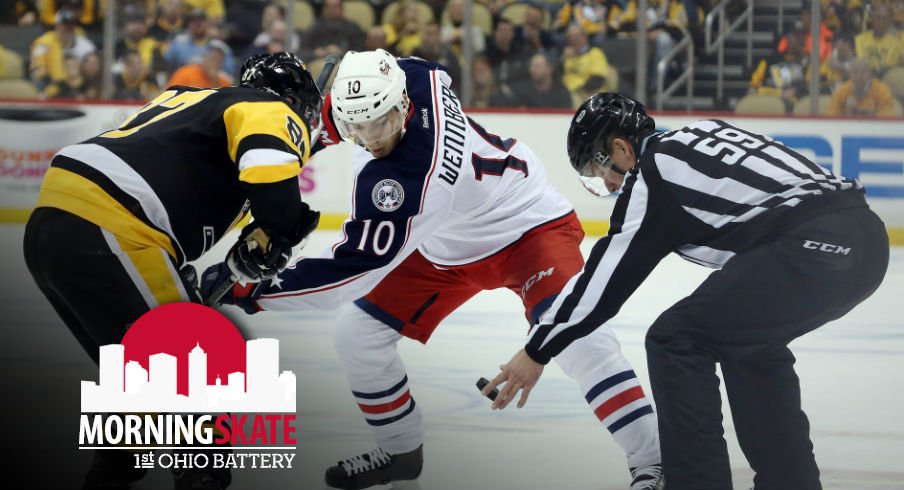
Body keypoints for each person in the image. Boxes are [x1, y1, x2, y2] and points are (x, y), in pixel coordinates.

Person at [203, 50, 664, 490]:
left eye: (383, 122)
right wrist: (317, 127)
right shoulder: (415, 78)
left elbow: (350, 272)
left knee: (577, 338)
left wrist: (252, 289)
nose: (374, 138)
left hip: (526, 227)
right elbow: (402, 79)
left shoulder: (409, 179)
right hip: (445, 242)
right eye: (358, 127)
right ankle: (400, 450)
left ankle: (655, 462)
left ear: (403, 105)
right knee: (357, 334)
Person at [483, 93, 890, 490]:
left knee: (675, 339)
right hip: (866, 239)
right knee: (749, 347)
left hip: (811, 245)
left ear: (621, 148)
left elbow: (600, 286)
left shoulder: (651, 174)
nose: (606, 185)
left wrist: (537, 350)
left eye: (598, 171)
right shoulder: (702, 135)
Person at [22, 52, 323, 490]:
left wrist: (252, 245)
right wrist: (285, 227)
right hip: (112, 228)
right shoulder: (267, 107)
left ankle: (117, 465)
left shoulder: (197, 102)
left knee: (143, 394)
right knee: (199, 399)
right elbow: (275, 198)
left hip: (58, 225)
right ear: (293, 99)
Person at [829, 57, 898, 116]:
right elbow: (832, 116)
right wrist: (846, 114)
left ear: (870, 74)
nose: (859, 76)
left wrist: (873, 114)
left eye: (863, 72)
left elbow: (889, 116)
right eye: (855, 72)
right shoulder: (842, 91)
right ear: (849, 74)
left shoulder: (881, 90)